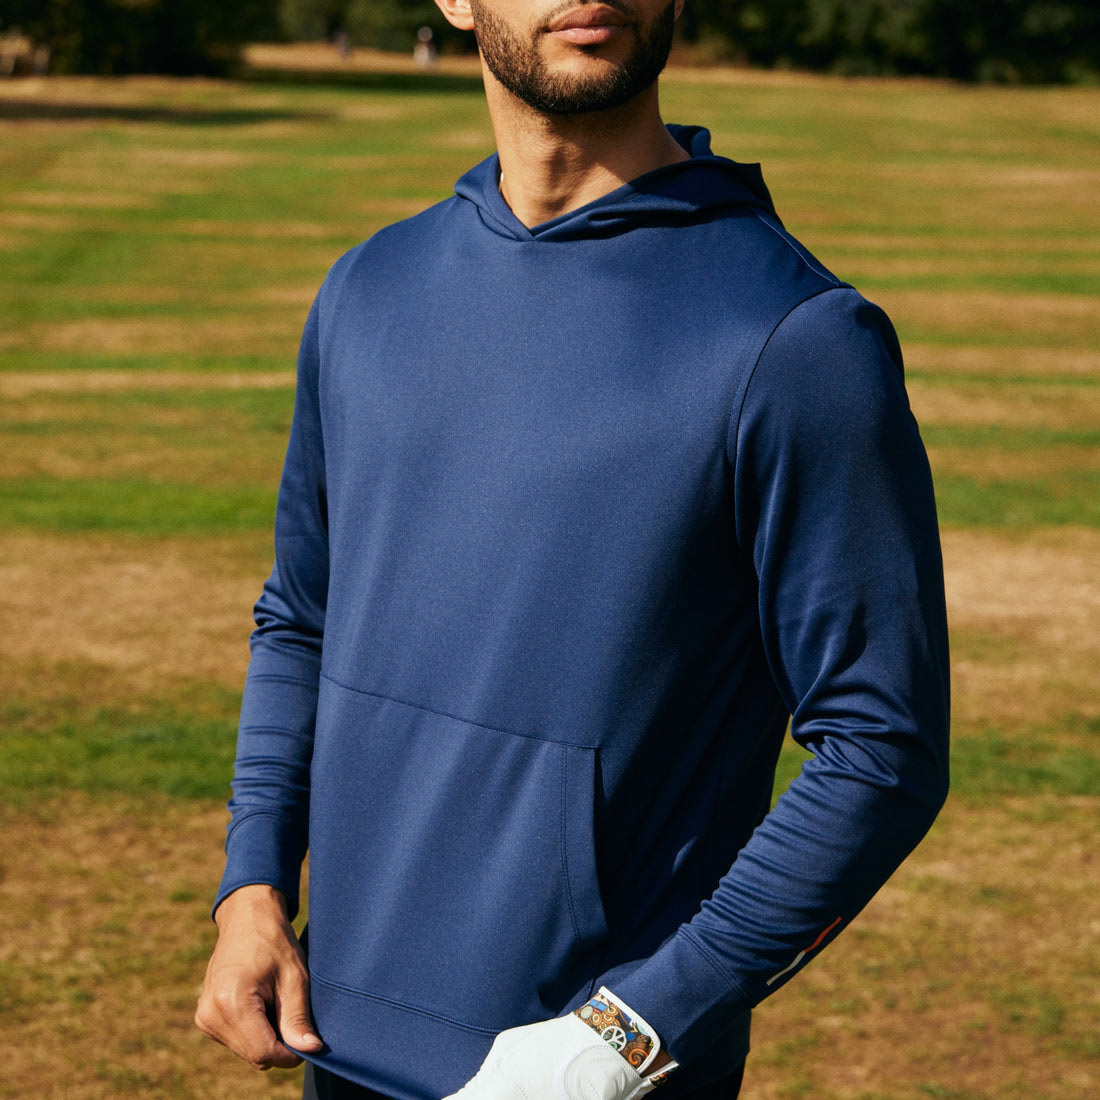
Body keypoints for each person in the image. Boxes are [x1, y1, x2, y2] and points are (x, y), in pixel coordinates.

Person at [195, 2, 951, 1099]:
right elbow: (302, 622)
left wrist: (622, 1037)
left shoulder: (797, 341)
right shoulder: (369, 287)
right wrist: (252, 887)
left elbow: (880, 749)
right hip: (338, 1045)